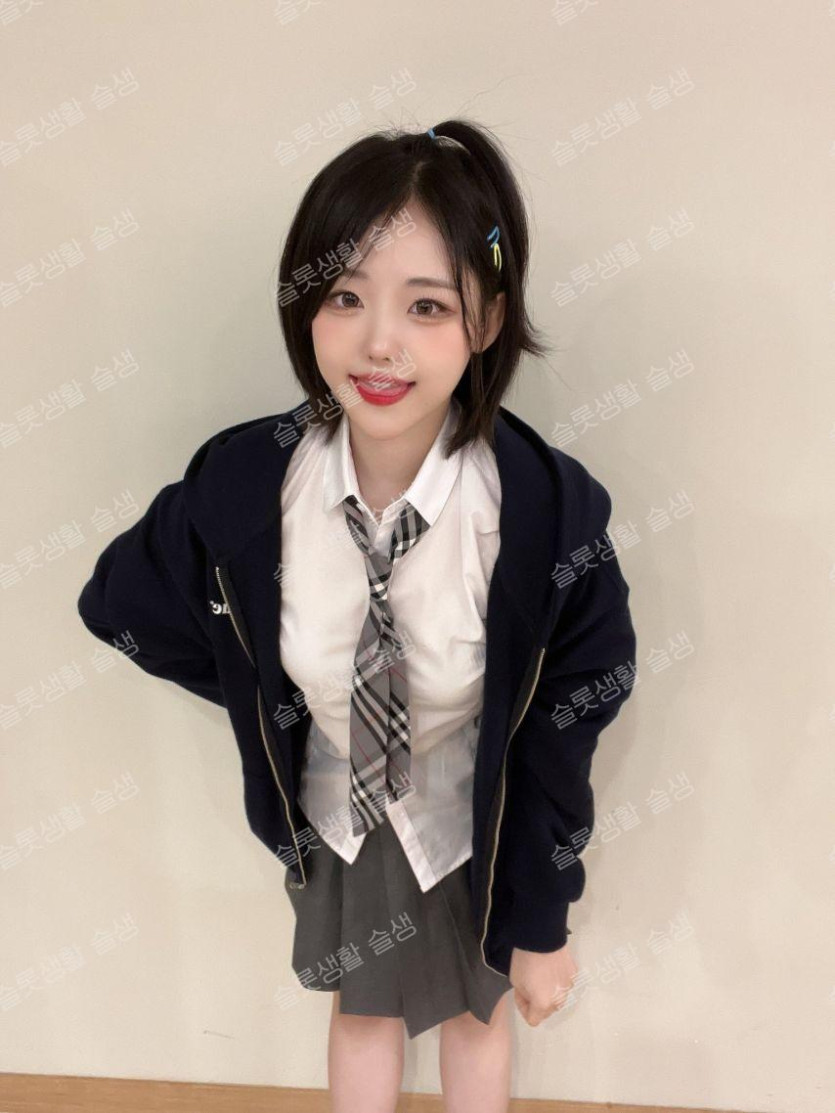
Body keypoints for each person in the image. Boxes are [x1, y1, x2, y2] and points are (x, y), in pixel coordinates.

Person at [77, 118, 637, 1113]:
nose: (379, 342)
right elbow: (122, 602)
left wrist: (542, 914)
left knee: (477, 1015)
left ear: (486, 320)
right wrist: (266, 690)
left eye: (426, 305)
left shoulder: (545, 513)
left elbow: (572, 707)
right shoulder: (244, 487)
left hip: (476, 820)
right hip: (345, 816)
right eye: (344, 297)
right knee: (362, 1010)